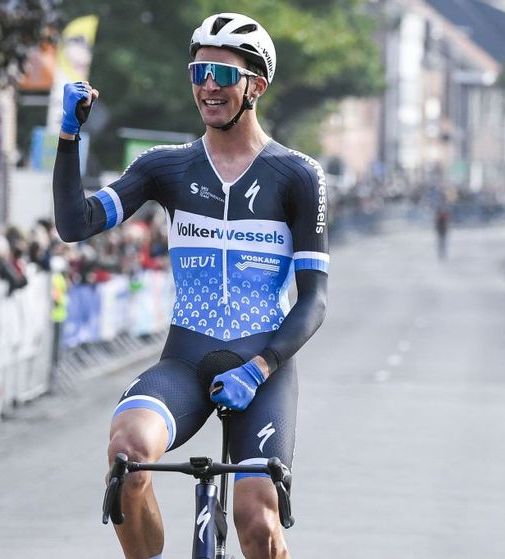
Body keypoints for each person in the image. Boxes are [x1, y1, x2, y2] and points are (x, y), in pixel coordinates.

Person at [52, 12, 329, 559]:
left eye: (223, 75)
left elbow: (314, 300)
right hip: (186, 359)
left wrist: (260, 367)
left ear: (257, 85)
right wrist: (68, 136)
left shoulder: (297, 175)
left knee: (256, 522)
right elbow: (74, 225)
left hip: (261, 367)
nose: (207, 86)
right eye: (198, 72)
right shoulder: (166, 167)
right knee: (127, 453)